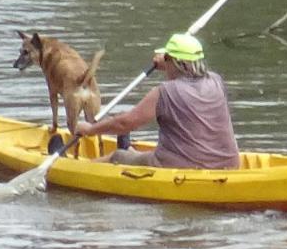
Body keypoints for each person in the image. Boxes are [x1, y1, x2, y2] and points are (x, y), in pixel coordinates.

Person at [73, 33, 240, 169]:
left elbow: (125, 123)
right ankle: (129, 150)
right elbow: (189, 72)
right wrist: (168, 62)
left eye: (167, 59)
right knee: (134, 155)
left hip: (182, 167)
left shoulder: (164, 92)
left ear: (175, 62)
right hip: (229, 165)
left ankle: (76, 168)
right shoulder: (216, 81)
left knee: (118, 157)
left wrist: (91, 129)